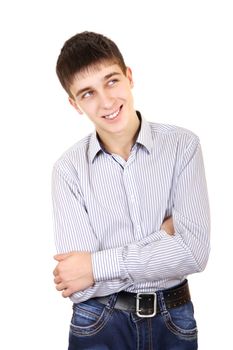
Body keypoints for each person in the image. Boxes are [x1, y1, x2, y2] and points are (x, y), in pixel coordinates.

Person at [52, 31, 210, 350]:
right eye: (88, 93)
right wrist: (164, 238)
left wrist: (95, 266)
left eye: (111, 81)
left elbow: (194, 252)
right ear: (74, 103)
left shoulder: (183, 147)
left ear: (129, 77)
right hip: (98, 322)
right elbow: (77, 285)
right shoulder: (67, 170)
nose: (106, 102)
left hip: (174, 319)